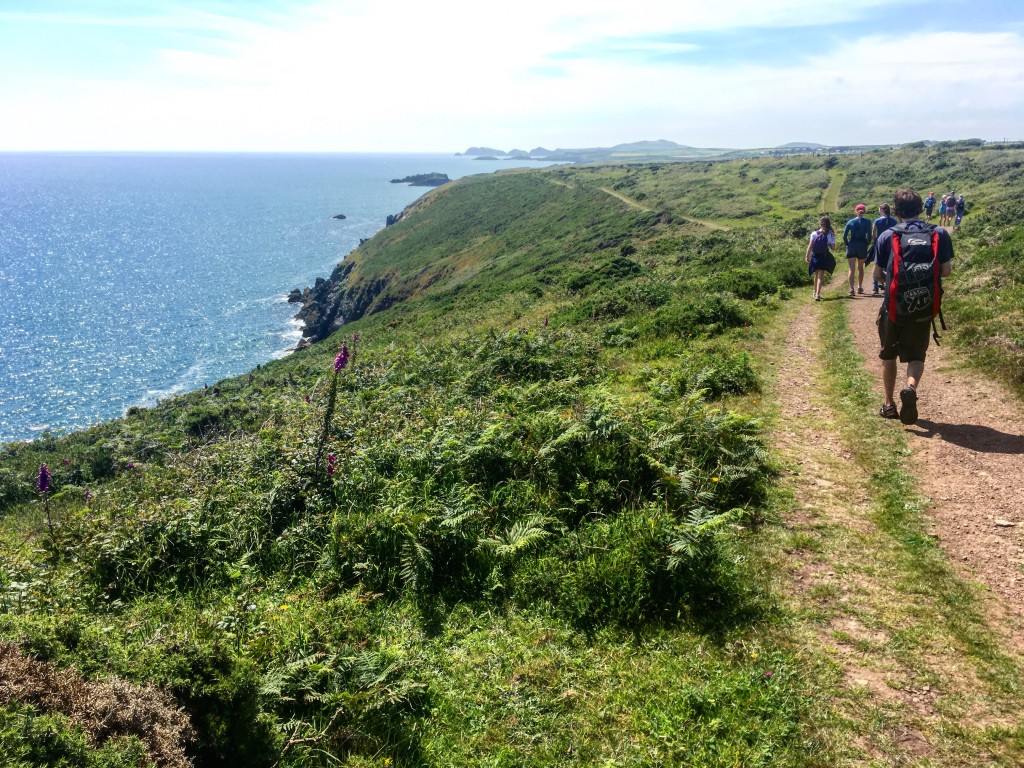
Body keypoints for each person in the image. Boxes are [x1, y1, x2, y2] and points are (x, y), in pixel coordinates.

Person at [872, 189, 954, 425]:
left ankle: (888, 405)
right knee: (916, 355)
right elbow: (946, 271)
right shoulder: (938, 233)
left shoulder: (888, 236)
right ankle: (910, 387)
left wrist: (894, 282)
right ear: (921, 208)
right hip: (923, 308)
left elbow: (877, 275)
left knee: (889, 355)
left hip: (894, 308)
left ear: (896, 212)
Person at [842, 203, 873, 296]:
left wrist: (847, 244)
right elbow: (869, 236)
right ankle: (859, 287)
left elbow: (844, 236)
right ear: (864, 211)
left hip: (852, 245)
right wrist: (866, 244)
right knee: (860, 268)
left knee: (851, 269)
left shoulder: (850, 222)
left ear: (856, 211)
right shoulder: (867, 222)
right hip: (862, 246)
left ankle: (851, 289)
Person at [805, 215, 836, 302]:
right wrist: (829, 244)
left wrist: (807, 256)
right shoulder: (830, 234)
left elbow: (810, 246)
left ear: (820, 224)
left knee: (816, 273)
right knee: (820, 275)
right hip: (823, 256)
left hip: (815, 256)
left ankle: (815, 292)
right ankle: (818, 294)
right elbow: (833, 248)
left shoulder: (814, 234)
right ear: (828, 224)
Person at [869, 203, 897, 294]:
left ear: (881, 210)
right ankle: (887, 285)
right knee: (888, 265)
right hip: (891, 244)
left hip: (879, 244)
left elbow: (873, 235)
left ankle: (875, 287)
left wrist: (876, 241)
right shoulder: (894, 221)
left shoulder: (877, 221)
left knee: (877, 263)